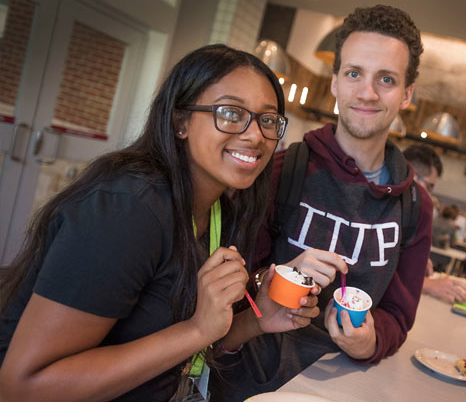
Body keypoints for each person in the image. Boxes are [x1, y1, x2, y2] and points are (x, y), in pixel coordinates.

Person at [0, 45, 317, 401]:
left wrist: (254, 321)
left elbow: (173, 344)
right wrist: (197, 330)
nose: (256, 135)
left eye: (268, 120)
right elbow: (24, 387)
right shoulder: (127, 211)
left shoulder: (218, 211)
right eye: (230, 113)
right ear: (180, 121)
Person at [209, 5, 432, 401]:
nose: (367, 92)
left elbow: (397, 317)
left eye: (386, 79)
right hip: (255, 383)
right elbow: (224, 284)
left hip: (346, 385)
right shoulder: (282, 169)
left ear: (407, 94)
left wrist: (369, 342)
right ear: (334, 82)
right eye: (353, 74)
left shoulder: (415, 204)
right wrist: (277, 278)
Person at [403, 144, 466, 304]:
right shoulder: (383, 206)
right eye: (430, 186)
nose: (429, 193)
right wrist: (427, 285)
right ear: (412, 175)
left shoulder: (408, 210)